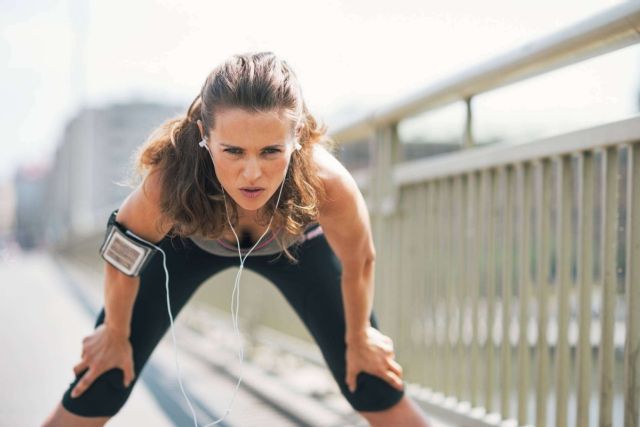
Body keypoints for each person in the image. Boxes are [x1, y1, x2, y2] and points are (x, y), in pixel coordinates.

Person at [42, 52, 431, 427]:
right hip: (184, 247)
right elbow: (123, 251)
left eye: (270, 151)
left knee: (369, 378)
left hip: (295, 247)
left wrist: (360, 336)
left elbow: (360, 260)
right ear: (204, 137)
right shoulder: (170, 180)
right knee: (104, 378)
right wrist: (114, 334)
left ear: (296, 137)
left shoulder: (327, 183)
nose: (251, 173)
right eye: (232, 151)